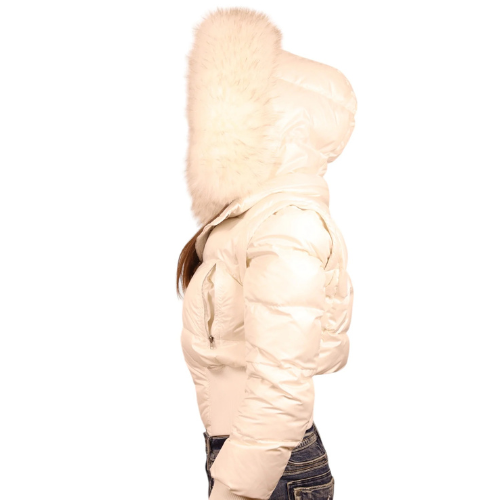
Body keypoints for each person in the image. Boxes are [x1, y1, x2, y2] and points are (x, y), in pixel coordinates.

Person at [177, 7, 356, 500]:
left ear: (271, 125)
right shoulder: (248, 222)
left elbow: (283, 386)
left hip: (266, 470)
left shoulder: (286, 227)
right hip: (251, 459)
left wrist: (234, 489)